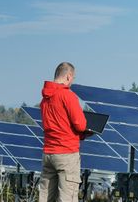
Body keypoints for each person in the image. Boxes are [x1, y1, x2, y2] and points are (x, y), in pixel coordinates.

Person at [39, 62, 89, 202]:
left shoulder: (45, 99)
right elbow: (80, 125)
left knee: (45, 197)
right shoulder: (68, 96)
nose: (72, 82)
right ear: (68, 76)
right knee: (67, 197)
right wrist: (85, 131)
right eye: (72, 79)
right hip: (66, 153)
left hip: (48, 153)